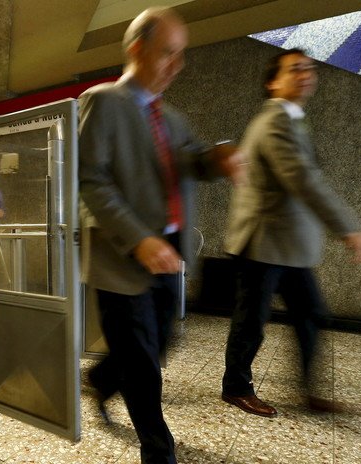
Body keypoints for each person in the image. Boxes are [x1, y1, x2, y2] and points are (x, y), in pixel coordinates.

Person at [78, 7, 242, 463]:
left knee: (161, 343)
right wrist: (138, 239)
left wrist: (219, 159)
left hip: (169, 254)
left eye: (181, 55)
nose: (177, 65)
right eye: (167, 53)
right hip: (122, 258)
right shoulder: (103, 101)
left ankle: (104, 379)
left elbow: (192, 159)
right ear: (137, 49)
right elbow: (90, 179)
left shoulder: (172, 118)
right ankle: (158, 450)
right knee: (145, 364)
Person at [220, 48, 361, 418]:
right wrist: (349, 229)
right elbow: (303, 181)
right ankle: (235, 388)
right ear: (273, 81)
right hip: (262, 243)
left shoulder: (294, 119)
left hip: (289, 245)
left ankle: (311, 393)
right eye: (295, 70)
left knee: (310, 315)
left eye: (309, 69)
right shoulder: (274, 121)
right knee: (251, 323)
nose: (306, 75)